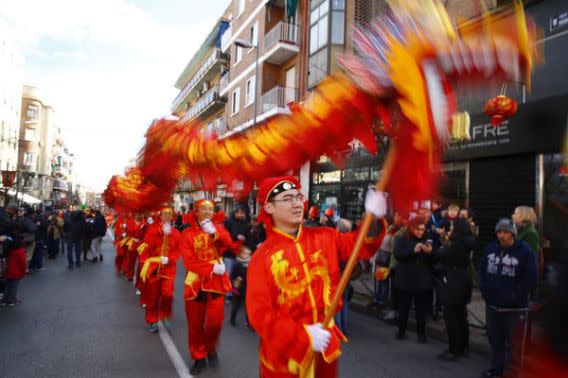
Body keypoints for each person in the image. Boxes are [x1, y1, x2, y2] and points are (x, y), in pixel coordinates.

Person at [246, 177, 387, 377]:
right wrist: (303, 336)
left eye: (298, 197)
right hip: (286, 357)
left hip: (324, 349)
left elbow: (360, 245)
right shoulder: (262, 257)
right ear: (269, 207)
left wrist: (373, 218)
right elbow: (259, 315)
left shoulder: (325, 237)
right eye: (287, 199)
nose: (297, 204)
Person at [179, 199, 241, 375]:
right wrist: (212, 268)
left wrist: (216, 233)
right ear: (196, 212)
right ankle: (198, 356)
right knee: (195, 324)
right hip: (196, 283)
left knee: (215, 322)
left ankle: (210, 347)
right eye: (204, 209)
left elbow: (229, 244)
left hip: (216, 283)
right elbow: (190, 262)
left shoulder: (219, 229)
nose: (207, 212)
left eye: (210, 209)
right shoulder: (187, 234)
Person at [478, 218, 538, 378]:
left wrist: (514, 296)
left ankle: (513, 373)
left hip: (515, 309)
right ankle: (496, 369)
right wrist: (485, 291)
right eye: (499, 232)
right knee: (495, 341)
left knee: (515, 344)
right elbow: (481, 271)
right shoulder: (490, 249)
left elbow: (530, 279)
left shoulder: (525, 253)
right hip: (492, 306)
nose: (501, 235)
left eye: (505, 232)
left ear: (513, 234)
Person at [435, 218, 475, 361]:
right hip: (464, 279)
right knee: (461, 316)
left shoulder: (455, 243)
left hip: (454, 280)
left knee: (451, 316)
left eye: (452, 226)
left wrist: (443, 244)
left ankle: (453, 349)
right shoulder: (468, 240)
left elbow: (440, 255)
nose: (450, 228)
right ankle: (463, 346)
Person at [393, 216, 433, 343]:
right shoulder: (402, 239)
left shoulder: (428, 240)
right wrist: (412, 250)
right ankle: (401, 330)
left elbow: (435, 259)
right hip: (405, 280)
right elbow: (398, 254)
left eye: (423, 229)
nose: (421, 232)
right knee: (403, 308)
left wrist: (430, 253)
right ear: (411, 228)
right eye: (418, 229)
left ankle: (421, 333)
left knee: (421, 311)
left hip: (422, 282)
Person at [140, 206, 180, 333]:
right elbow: (146, 247)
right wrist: (146, 263)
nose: (167, 217)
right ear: (160, 216)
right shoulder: (152, 230)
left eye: (170, 215)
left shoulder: (176, 233)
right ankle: (152, 320)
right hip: (154, 268)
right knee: (153, 297)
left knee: (168, 294)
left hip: (169, 269)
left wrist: (170, 259)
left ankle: (165, 314)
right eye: (165, 214)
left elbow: (177, 251)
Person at [0, 216, 25, 306]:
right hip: (16, 270)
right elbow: (22, 262)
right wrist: (23, 270)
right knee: (14, 285)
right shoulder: (20, 249)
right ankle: (12, 300)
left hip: (7, 268)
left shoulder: (8, 242)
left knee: (8, 284)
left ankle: (4, 300)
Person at [512, 206, 541, 274]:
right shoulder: (520, 231)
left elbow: (530, 258)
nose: (512, 215)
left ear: (523, 216)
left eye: (515, 213)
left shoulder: (530, 234)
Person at [230, 246, 251, 329]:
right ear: (241, 254)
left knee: (248, 308)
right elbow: (232, 275)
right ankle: (232, 319)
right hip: (238, 289)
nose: (247, 256)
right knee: (236, 306)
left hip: (248, 289)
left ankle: (249, 324)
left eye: (248, 254)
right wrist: (236, 280)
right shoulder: (237, 264)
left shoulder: (251, 263)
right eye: (245, 254)